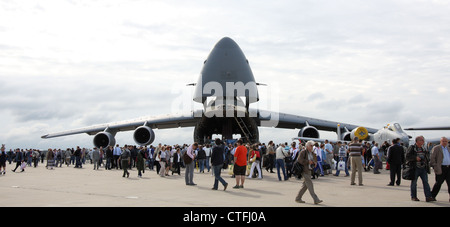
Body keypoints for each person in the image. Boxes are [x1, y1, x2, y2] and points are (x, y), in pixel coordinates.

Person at [406, 136, 433, 202]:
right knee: (414, 183)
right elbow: (407, 157)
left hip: (423, 168)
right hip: (415, 168)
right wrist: (415, 158)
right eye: (421, 140)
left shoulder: (424, 148)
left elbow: (427, 156)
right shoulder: (412, 148)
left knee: (426, 182)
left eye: (423, 140)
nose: (423, 141)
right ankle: (414, 196)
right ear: (417, 141)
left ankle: (428, 197)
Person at [295, 140, 322, 204]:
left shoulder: (312, 152)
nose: (312, 147)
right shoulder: (303, 152)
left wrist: (315, 162)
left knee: (305, 186)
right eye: (311, 145)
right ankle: (316, 199)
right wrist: (308, 161)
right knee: (310, 184)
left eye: (312, 145)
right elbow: (299, 160)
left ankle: (298, 198)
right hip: (304, 170)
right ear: (307, 146)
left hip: (309, 170)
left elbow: (314, 159)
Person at [430, 137, 450, 202]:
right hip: (441, 168)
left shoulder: (448, 148)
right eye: (443, 141)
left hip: (448, 168)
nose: (444, 142)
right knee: (438, 183)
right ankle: (432, 196)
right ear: (440, 142)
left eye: (446, 141)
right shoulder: (436, 148)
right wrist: (435, 166)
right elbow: (432, 158)